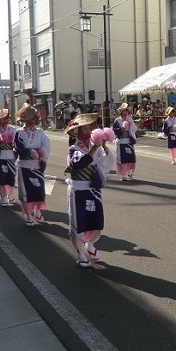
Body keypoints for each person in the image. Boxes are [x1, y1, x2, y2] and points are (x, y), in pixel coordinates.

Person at [65, 113, 115, 268]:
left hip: (93, 189)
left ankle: (91, 244)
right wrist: (95, 147)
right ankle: (80, 251)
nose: (88, 132)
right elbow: (78, 164)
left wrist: (104, 146)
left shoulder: (97, 148)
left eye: (90, 128)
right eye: (85, 129)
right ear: (78, 132)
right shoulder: (74, 149)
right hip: (78, 190)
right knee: (79, 222)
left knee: (96, 220)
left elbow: (108, 161)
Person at [13, 105, 51, 227]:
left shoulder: (39, 132)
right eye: (29, 119)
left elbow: (46, 144)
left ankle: (38, 211)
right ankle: (29, 215)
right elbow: (18, 148)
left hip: (37, 165)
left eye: (33, 119)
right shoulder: (19, 133)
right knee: (25, 192)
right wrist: (30, 151)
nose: (32, 122)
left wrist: (42, 153)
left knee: (38, 190)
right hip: (24, 166)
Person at [0, 109, 17, 207]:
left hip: (11, 157)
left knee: (11, 177)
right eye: (4, 119)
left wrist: (12, 142)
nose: (6, 121)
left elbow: (18, 144)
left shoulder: (13, 130)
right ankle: (3, 197)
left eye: (7, 119)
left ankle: (10, 195)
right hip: (0, 157)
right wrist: (2, 143)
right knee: (1, 178)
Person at [112, 103, 137, 181]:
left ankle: (129, 172)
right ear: (121, 112)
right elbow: (114, 130)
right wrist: (120, 129)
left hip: (129, 141)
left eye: (126, 111)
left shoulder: (130, 119)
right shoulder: (117, 120)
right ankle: (122, 174)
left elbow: (134, 128)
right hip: (121, 141)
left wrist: (129, 127)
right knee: (123, 159)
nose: (125, 113)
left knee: (131, 158)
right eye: (123, 111)